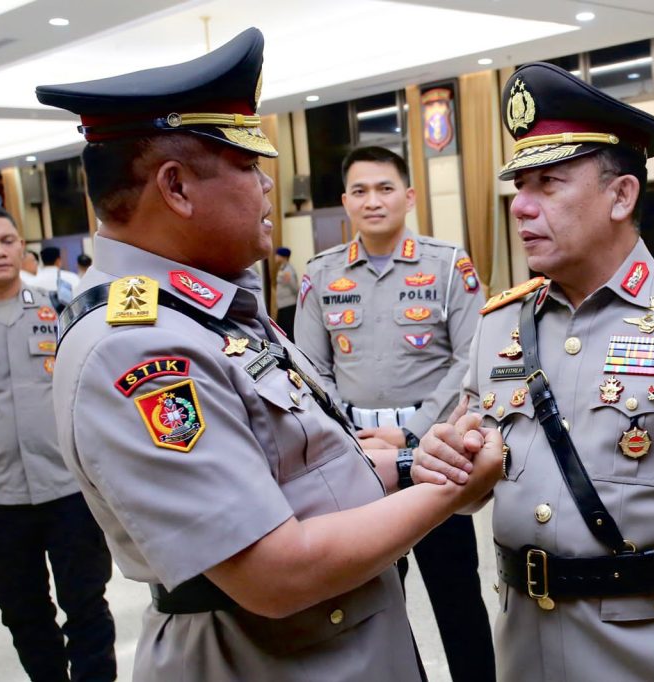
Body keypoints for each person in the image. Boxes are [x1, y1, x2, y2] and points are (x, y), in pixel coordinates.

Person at [36, 27, 502, 681]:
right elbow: (275, 574)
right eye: (247, 168)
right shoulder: (139, 347)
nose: (265, 188)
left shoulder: (209, 310)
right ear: (176, 188)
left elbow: (309, 465)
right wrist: (450, 491)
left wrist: (412, 459)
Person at [414, 62, 654, 682]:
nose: (521, 207)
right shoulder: (501, 324)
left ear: (621, 196)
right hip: (527, 648)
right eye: (520, 186)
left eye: (548, 183)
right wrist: (444, 460)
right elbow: (476, 481)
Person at [295, 145, 495, 682]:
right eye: (360, 191)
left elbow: (471, 357)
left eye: (385, 188)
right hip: (355, 457)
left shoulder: (448, 265)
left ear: (408, 197)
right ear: (345, 202)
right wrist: (350, 436)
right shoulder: (321, 273)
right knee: (374, 601)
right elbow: (310, 368)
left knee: (457, 595)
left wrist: (412, 432)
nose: (373, 201)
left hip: (438, 454)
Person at [0, 203, 117, 682]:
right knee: (23, 613)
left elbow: (98, 397)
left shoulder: (62, 311)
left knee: (88, 605)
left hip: (72, 491)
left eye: (8, 241)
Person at [273, 246, 298, 337]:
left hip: (288, 305)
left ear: (283, 257)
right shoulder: (283, 268)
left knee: (288, 332)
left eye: (277, 255)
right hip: (283, 305)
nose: (275, 257)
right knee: (283, 330)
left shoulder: (288, 270)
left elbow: (294, 287)